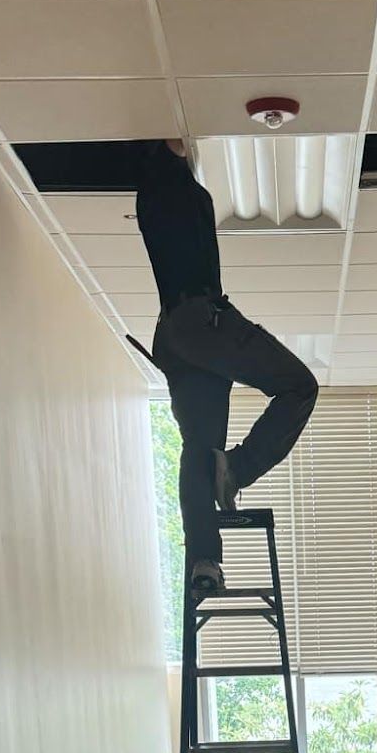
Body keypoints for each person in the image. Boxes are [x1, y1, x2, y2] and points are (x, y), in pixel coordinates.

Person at [134, 138, 319, 603]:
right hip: (191, 327)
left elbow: (174, 175)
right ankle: (229, 489)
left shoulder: (162, 194)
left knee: (209, 444)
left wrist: (174, 155)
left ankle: (209, 547)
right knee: (291, 391)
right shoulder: (165, 194)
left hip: (187, 330)